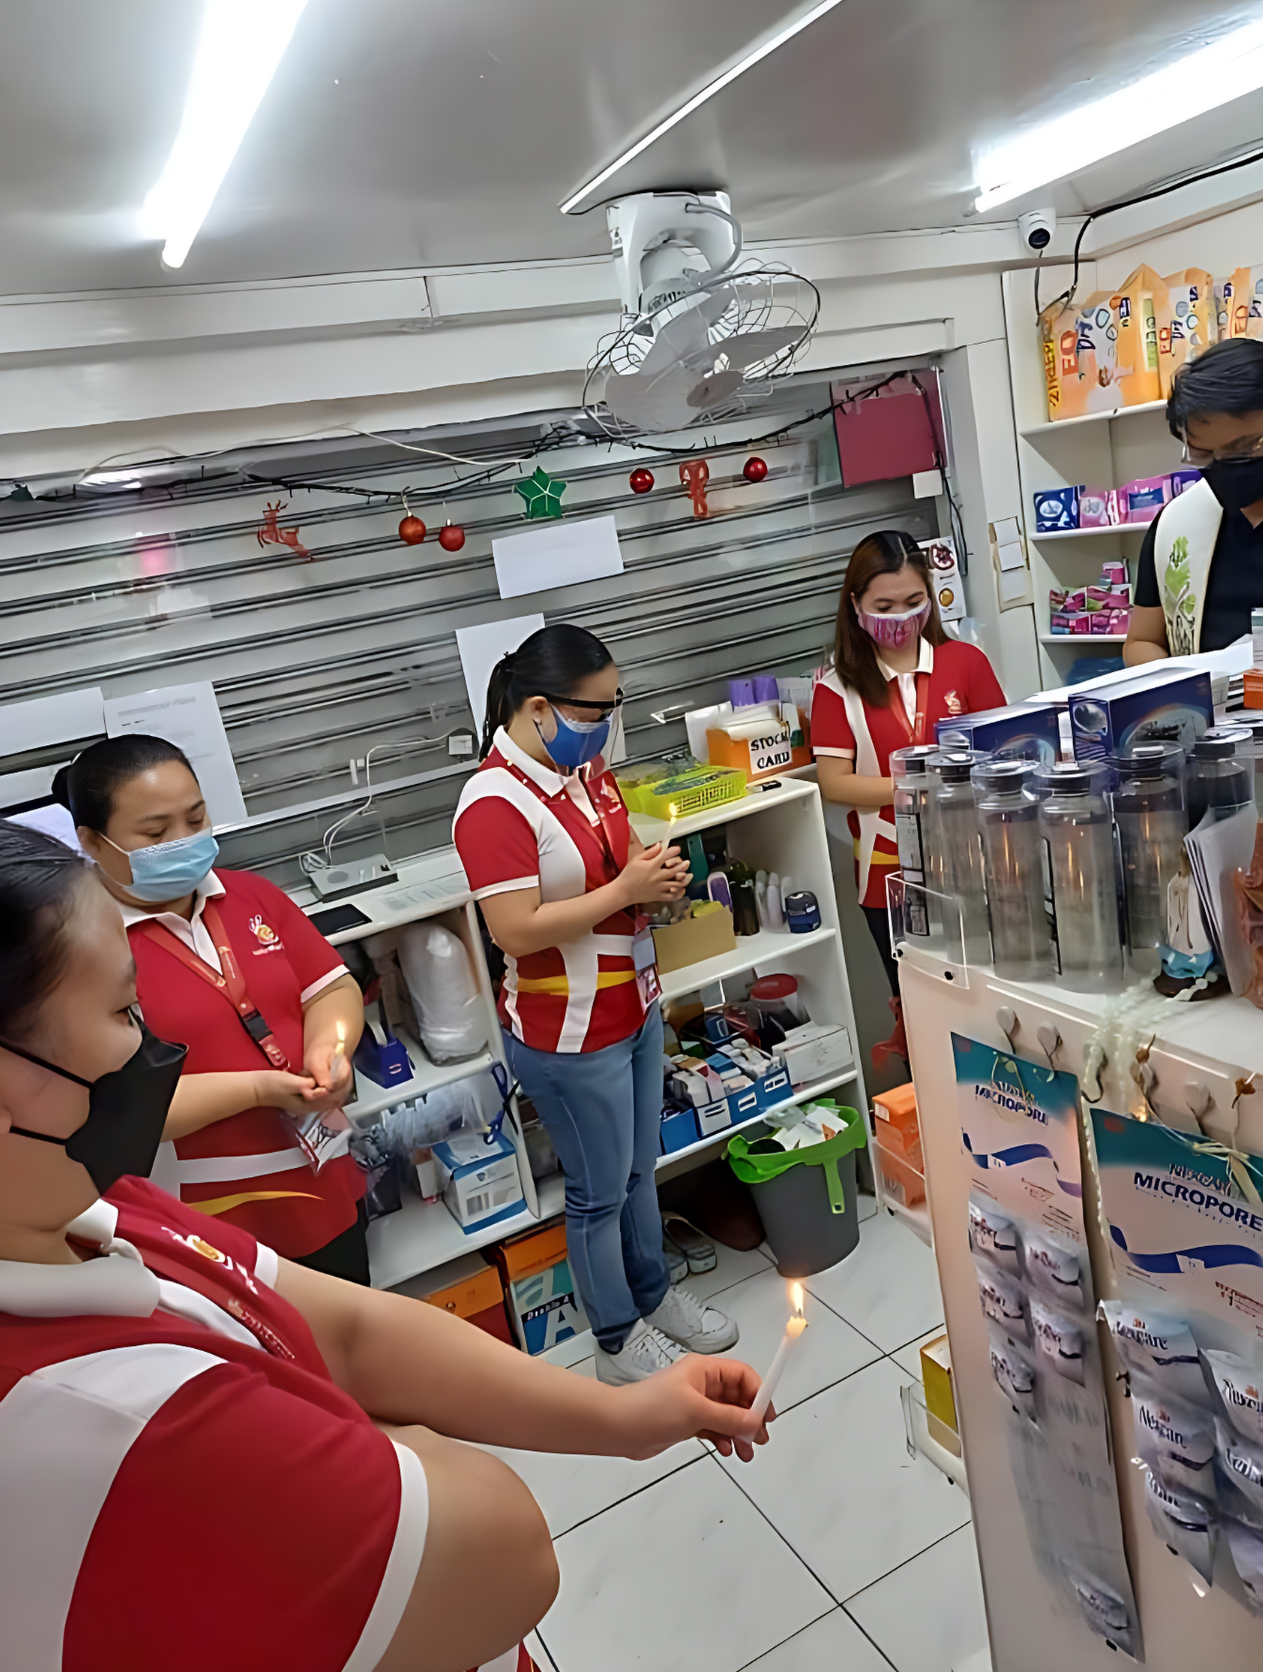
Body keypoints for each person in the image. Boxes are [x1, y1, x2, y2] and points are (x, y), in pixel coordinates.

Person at [0, 819, 768, 1672]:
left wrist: (623, 1418)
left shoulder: (105, 1212)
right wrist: (385, 1429)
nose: (159, 1047)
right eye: (122, 1012)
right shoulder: (96, 1414)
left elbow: (355, 1333)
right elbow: (505, 1559)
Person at [453, 624, 739, 1386]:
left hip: (631, 1007)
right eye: (596, 710)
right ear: (538, 708)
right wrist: (622, 891)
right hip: (567, 1033)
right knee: (597, 1192)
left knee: (640, 1170)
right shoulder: (491, 803)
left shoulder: (584, 772)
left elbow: (609, 866)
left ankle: (653, 1295)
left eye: (615, 705)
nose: (607, 724)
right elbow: (514, 930)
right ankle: (615, 1338)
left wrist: (651, 877)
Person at [53, 736, 371, 1281]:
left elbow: (328, 987)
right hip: (203, 1219)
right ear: (92, 842)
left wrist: (330, 1048)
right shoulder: (77, 952)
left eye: (196, 819)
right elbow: (114, 1111)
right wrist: (259, 1089)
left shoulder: (251, 897)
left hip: (320, 1176)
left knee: (350, 1311)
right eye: (156, 834)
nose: (183, 840)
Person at [812, 529, 1006, 1061]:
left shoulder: (964, 662)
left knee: (988, 997)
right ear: (855, 605)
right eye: (884, 607)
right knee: (918, 1006)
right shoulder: (836, 688)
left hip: (975, 860)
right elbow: (835, 783)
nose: (899, 618)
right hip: (888, 872)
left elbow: (1003, 750)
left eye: (913, 602)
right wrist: (920, 781)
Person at [1126, 337, 1263, 663]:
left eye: (1243, 449)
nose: (1225, 466)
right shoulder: (1177, 525)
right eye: (1205, 454)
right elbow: (1141, 641)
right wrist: (1183, 681)